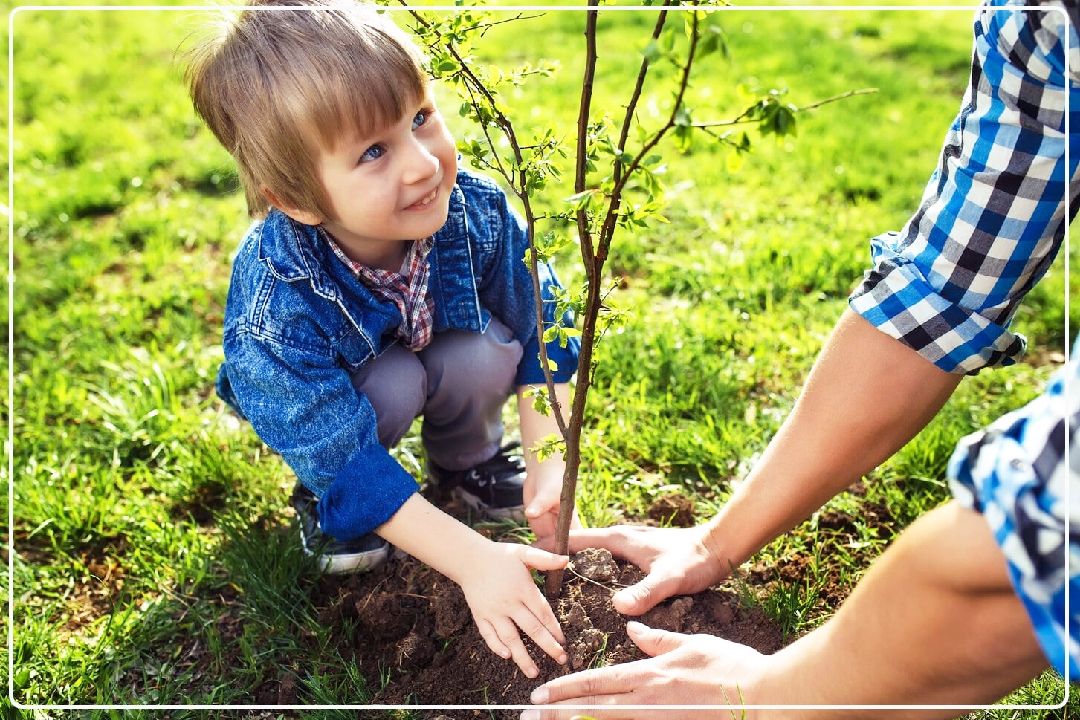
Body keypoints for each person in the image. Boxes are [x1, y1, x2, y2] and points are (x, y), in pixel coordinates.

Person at [524, 0, 1078, 714]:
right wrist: (718, 542)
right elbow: (945, 284)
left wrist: (778, 697)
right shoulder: (1038, 23)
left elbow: (1037, 533)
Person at [184, 0, 580, 679]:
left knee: (488, 347)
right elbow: (332, 445)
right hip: (350, 409)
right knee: (390, 386)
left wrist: (550, 460)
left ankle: (468, 463)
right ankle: (338, 507)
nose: (424, 164)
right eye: (374, 151)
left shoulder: (472, 212)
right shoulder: (278, 301)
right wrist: (474, 562)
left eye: (421, 117)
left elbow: (542, 320)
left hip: (436, 356)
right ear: (298, 200)